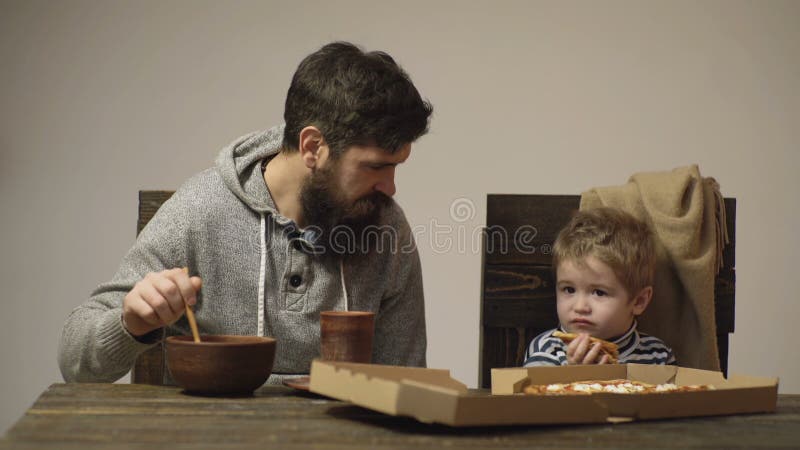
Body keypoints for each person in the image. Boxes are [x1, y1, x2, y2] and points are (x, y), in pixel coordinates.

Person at [58, 41, 433, 384]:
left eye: (396, 167)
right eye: (375, 167)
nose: (391, 187)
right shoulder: (201, 210)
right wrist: (131, 323)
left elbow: (405, 384)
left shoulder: (385, 227)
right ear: (313, 146)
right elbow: (75, 361)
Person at [523, 207, 676, 366]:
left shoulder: (658, 356)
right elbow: (534, 390)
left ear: (639, 301)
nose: (580, 307)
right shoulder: (545, 350)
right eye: (569, 289)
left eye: (599, 292)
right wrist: (573, 375)